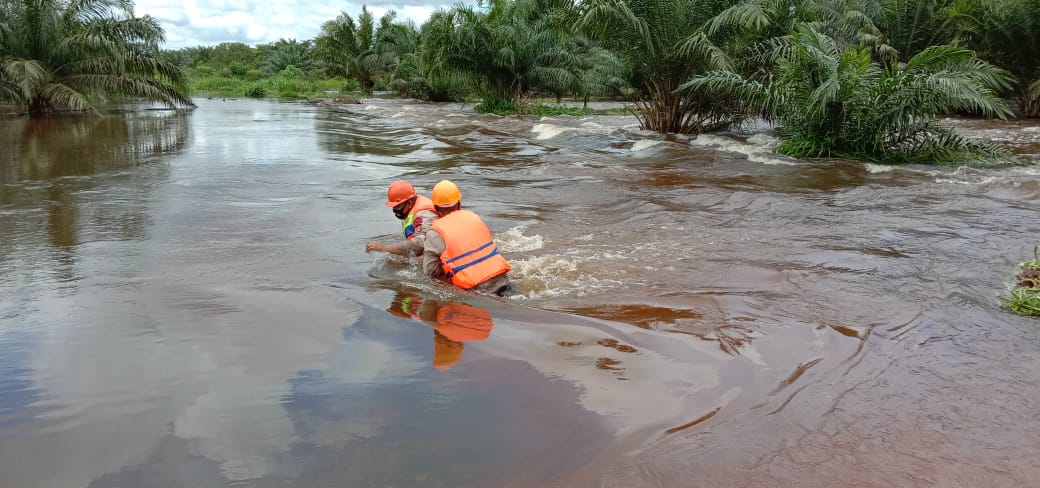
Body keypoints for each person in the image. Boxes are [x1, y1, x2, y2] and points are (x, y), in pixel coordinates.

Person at [422, 180, 513, 296]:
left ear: (435, 207)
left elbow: (430, 273)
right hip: (504, 281)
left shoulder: (435, 233)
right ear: (459, 203)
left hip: (480, 292)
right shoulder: (474, 218)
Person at [386, 291, 494, 371]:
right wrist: (404, 308)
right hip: (442, 301)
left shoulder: (480, 333)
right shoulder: (431, 319)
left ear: (461, 346)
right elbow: (417, 306)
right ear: (438, 342)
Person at [365, 180, 438, 257]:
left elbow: (421, 244)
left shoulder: (423, 214)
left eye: (398, 206)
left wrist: (385, 248)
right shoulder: (409, 209)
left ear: (409, 203)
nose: (395, 210)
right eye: (393, 206)